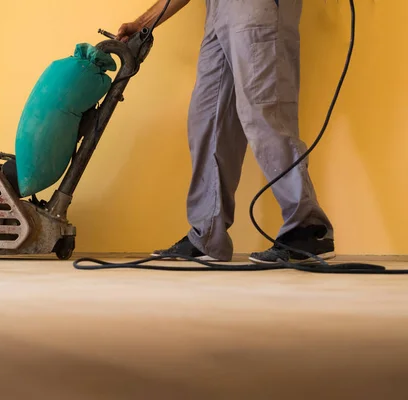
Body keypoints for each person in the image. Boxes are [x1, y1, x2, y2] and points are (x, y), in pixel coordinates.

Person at [117, 0, 336, 264]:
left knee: (264, 111)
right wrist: (143, 24)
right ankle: (207, 233)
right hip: (218, 9)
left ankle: (308, 228)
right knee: (207, 119)